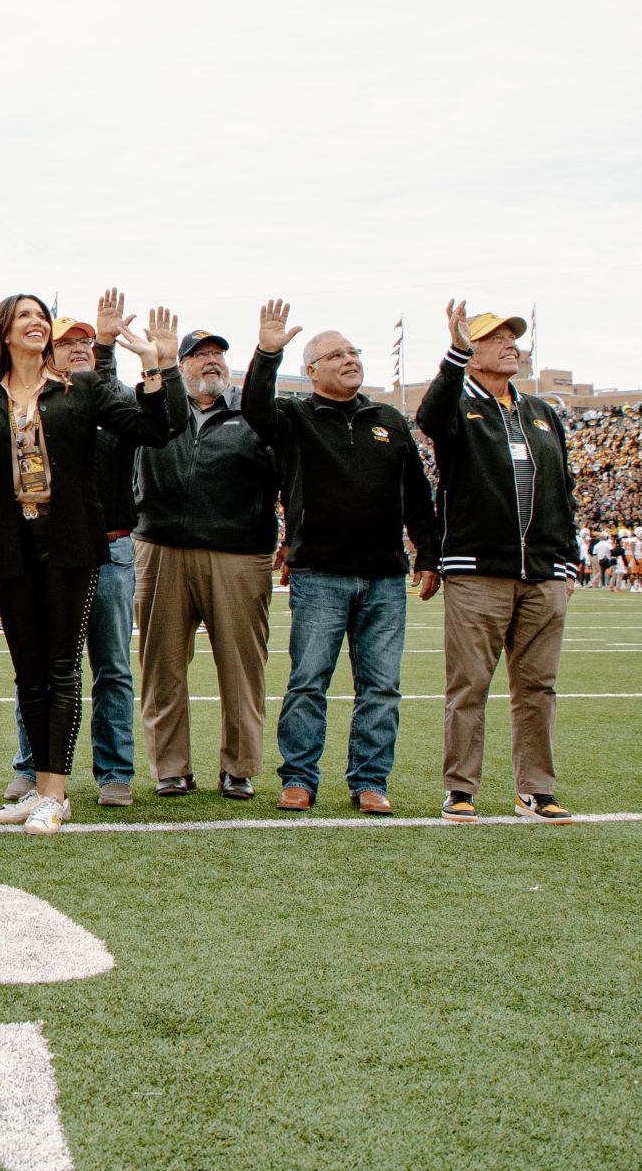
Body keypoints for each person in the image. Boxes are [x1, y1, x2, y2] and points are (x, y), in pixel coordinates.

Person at [0, 291, 182, 835]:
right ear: (3, 331)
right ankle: (40, 789)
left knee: (62, 667)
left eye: (41, 316)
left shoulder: (79, 388)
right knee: (28, 673)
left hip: (69, 540)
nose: (37, 323)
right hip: (13, 542)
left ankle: (55, 794)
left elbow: (157, 429)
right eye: (25, 316)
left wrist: (158, 369)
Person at [244, 301, 440, 815]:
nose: (349, 359)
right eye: (335, 355)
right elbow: (254, 409)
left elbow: (417, 494)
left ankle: (370, 780)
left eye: (353, 352)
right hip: (319, 572)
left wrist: (428, 553)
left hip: (384, 576)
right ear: (311, 371)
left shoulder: (389, 419)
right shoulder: (293, 416)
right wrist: (267, 353)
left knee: (382, 687)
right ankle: (298, 777)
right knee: (309, 681)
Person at [418, 303, 582, 824]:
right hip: (477, 570)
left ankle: (536, 790)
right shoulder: (457, 405)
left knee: (538, 687)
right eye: (494, 338)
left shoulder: (542, 411)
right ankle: (460, 787)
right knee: (470, 685)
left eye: (513, 337)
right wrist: (454, 353)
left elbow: (564, 490)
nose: (510, 344)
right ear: (471, 352)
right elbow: (428, 418)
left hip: (543, 573)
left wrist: (569, 560)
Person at [133, 324, 281, 801]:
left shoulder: (254, 413)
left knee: (241, 669)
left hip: (238, 553)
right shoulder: (156, 409)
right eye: (200, 354)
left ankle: (239, 767)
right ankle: (170, 767)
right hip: (161, 549)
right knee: (162, 667)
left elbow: (290, 476)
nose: (211, 360)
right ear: (180, 366)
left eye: (218, 353)